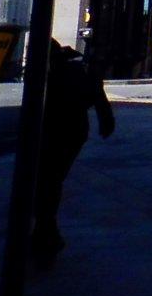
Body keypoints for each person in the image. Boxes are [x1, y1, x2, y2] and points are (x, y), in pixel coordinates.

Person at [32, 38, 115, 263]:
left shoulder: (64, 73)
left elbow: (94, 94)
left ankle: (46, 236)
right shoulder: (68, 71)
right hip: (67, 133)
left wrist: (105, 119)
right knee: (48, 183)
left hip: (63, 133)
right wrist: (105, 120)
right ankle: (46, 234)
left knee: (47, 184)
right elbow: (96, 94)